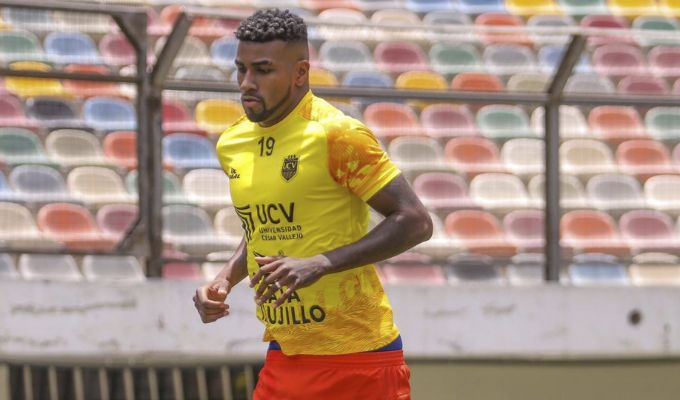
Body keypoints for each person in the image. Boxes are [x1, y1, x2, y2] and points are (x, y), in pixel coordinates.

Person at [193, 8, 432, 400]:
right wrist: (224, 279)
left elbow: (415, 221)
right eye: (241, 69)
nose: (247, 83)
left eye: (263, 70)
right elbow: (260, 228)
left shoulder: (336, 134)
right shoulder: (233, 142)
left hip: (360, 360)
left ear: (300, 73)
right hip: (286, 354)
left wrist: (321, 262)